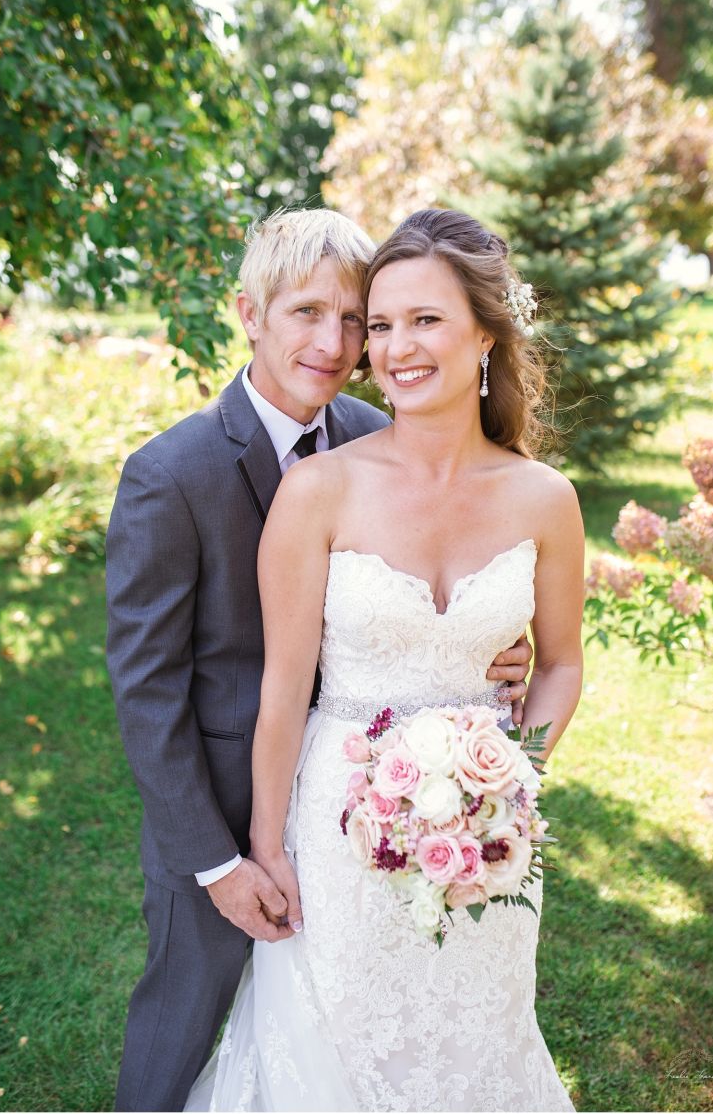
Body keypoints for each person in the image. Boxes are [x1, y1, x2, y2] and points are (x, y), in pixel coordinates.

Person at [105, 207, 534, 1114]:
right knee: (184, 1025)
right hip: (221, 813)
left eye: (353, 319)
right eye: (306, 312)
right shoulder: (169, 475)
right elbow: (148, 693)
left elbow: (437, 554)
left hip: (372, 806)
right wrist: (219, 863)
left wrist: (485, 640)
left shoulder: (379, 431)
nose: (335, 342)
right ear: (249, 313)